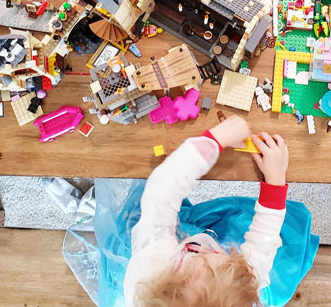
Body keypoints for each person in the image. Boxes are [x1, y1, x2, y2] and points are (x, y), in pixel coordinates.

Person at [124, 114, 318, 306]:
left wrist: (215, 140)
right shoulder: (237, 290)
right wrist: (275, 181)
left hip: (157, 261)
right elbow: (261, 248)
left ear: (180, 277)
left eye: (220, 261)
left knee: (151, 207)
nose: (223, 255)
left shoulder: (152, 263)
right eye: (228, 262)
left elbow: (162, 190)